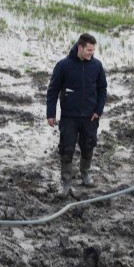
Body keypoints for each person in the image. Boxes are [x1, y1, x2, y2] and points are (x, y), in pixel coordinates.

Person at [46, 33, 108, 196]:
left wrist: (98, 110)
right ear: (80, 47)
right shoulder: (63, 65)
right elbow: (52, 91)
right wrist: (50, 113)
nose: (91, 53)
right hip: (69, 116)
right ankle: (66, 182)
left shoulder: (97, 66)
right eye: (88, 50)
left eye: (93, 50)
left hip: (90, 117)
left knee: (88, 145)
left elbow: (102, 90)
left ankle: (85, 173)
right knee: (66, 149)